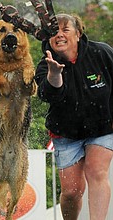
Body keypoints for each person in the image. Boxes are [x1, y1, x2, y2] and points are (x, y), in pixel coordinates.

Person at [35, 13, 113, 220]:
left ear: (78, 33)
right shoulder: (45, 65)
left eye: (65, 29)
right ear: (48, 39)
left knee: (96, 172)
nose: (59, 35)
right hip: (66, 132)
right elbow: (47, 95)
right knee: (72, 192)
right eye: (54, 32)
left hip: (103, 127)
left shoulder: (102, 53)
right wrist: (54, 74)